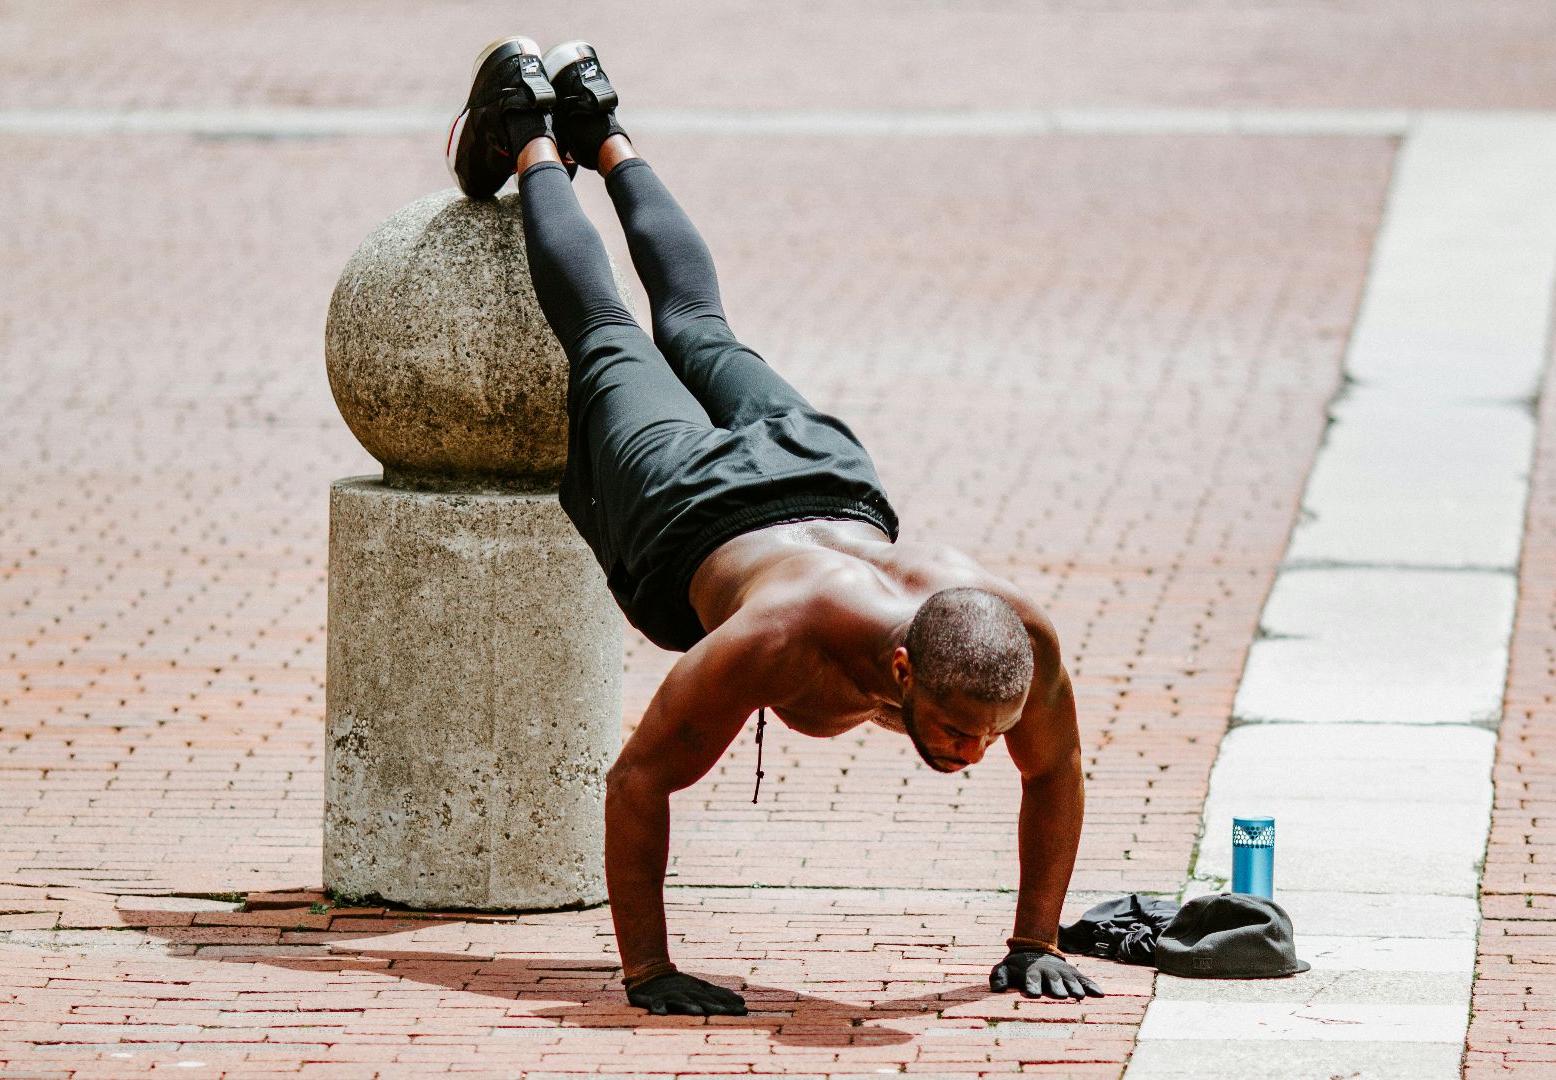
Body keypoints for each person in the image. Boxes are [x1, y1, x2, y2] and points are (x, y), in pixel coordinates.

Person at [446, 36, 1101, 1016]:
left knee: (702, 330)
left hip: (825, 474)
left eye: (985, 737)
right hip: (689, 501)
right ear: (901, 670)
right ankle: (532, 126)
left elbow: (1055, 770)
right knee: (609, 333)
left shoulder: (1017, 640)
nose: (973, 756)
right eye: (962, 735)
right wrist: (648, 972)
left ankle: (603, 121)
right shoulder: (772, 640)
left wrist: (1034, 941)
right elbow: (636, 783)